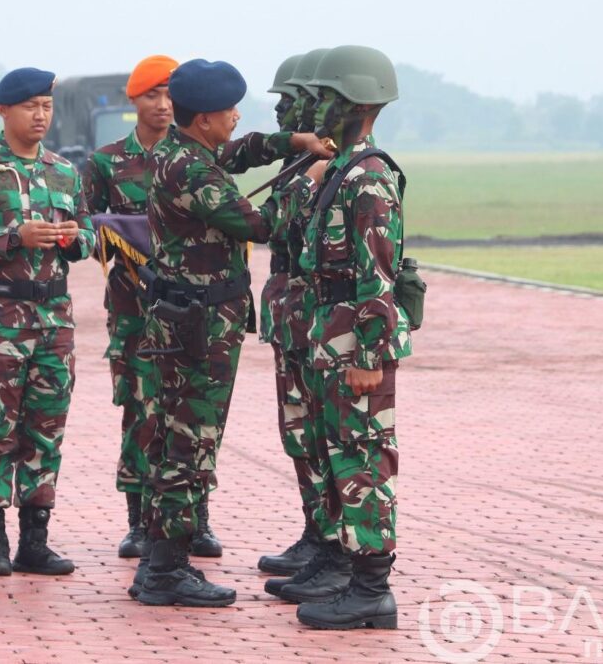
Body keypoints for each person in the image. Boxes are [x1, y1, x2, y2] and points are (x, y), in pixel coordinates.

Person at [133, 58, 331, 607]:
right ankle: (167, 571)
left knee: (177, 440)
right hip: (199, 326)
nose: (236, 117)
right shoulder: (192, 172)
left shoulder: (183, 151)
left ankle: (158, 561)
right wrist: (309, 179)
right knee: (189, 444)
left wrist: (295, 143)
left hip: (191, 319)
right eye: (229, 111)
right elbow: (262, 225)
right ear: (203, 120)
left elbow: (241, 152)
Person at [0, 67, 95, 578]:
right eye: (30, 107)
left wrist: (74, 239)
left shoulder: (64, 171)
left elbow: (90, 235)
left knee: (46, 429)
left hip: (54, 318)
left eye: (46, 106)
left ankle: (35, 541)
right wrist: (11, 237)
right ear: (4, 110)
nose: (40, 115)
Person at [276, 45, 414, 630]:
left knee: (363, 462)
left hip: (354, 346)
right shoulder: (343, 169)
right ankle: (351, 575)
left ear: (357, 103)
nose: (315, 109)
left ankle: (371, 589)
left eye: (325, 98)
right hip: (330, 337)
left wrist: (369, 354)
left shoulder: (369, 177)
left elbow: (376, 276)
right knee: (341, 457)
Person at [82, 55, 178, 559]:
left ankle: (193, 519)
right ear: (133, 100)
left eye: (170, 95)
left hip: (189, 308)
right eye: (151, 95)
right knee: (140, 410)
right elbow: (85, 228)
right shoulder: (106, 162)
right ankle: (139, 522)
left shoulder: (196, 156)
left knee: (192, 413)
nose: (163, 105)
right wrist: (129, 249)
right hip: (133, 309)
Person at [256, 50, 333, 577]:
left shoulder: (335, 164)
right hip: (291, 315)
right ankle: (315, 530)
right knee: (299, 431)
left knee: (324, 435)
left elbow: (278, 225)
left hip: (317, 317)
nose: (282, 112)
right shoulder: (301, 161)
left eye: (291, 101)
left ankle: (332, 540)